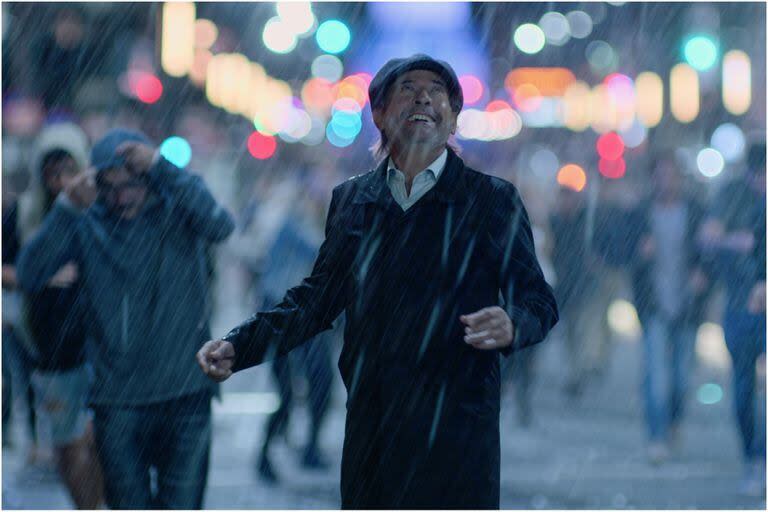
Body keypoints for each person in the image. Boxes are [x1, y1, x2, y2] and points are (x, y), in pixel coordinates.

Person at [198, 54, 558, 509]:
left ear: (453, 120)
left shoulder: (491, 201)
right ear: (381, 114)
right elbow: (316, 301)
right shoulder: (353, 201)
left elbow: (539, 300)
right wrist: (241, 345)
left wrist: (514, 323)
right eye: (408, 87)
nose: (424, 97)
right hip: (374, 426)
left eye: (437, 90)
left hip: (457, 430)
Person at [16, 128, 235, 509]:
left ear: (147, 177)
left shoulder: (176, 206)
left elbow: (221, 224)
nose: (122, 197)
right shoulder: (87, 223)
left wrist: (162, 166)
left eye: (131, 184)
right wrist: (67, 208)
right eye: (110, 186)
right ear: (97, 183)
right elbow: (30, 274)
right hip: (117, 403)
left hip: (185, 394)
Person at [14, 123, 106, 508]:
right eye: (51, 171)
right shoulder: (27, 214)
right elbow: (17, 268)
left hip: (95, 342)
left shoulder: (97, 211)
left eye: (68, 169)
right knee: (66, 444)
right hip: (48, 343)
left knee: (96, 439)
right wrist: (43, 274)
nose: (60, 180)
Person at [248, 192, 336, 483]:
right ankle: (266, 454)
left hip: (307, 318)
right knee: (286, 394)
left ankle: (308, 448)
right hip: (283, 317)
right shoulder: (290, 225)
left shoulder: (300, 227)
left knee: (320, 387)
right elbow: (319, 249)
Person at [630, 152, 710, 465]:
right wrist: (640, 252)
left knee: (680, 377)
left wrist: (703, 273)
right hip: (654, 306)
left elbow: (709, 253)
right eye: (660, 175)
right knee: (656, 374)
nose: (666, 181)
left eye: (671, 174)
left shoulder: (697, 213)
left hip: (688, 305)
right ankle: (656, 436)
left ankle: (674, 421)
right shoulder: (641, 214)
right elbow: (625, 254)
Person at [699, 141, 766, 496]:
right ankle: (754, 459)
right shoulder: (734, 195)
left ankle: (761, 457)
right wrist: (733, 241)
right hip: (741, 304)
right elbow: (708, 237)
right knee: (743, 388)